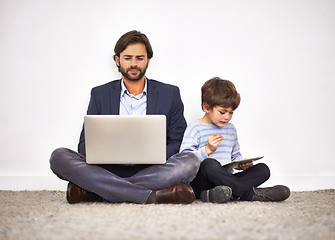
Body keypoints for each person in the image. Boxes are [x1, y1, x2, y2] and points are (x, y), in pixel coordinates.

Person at [50, 30, 199, 204]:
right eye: (127, 58)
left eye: (140, 58)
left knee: (191, 161)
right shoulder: (99, 94)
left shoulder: (170, 93)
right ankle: (151, 195)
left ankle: (97, 191)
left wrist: (152, 155)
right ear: (117, 60)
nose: (134, 64)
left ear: (148, 60)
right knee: (58, 156)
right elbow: (85, 145)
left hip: (153, 169)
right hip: (108, 169)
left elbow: (178, 141)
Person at [179, 77, 290, 203]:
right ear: (206, 107)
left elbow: (234, 156)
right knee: (210, 164)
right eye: (222, 112)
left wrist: (241, 164)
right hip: (202, 181)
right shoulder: (195, 127)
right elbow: (184, 160)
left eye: (231, 112)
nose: (227, 117)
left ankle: (219, 194)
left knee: (263, 169)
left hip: (227, 180)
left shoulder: (231, 129)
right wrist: (207, 150)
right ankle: (249, 194)